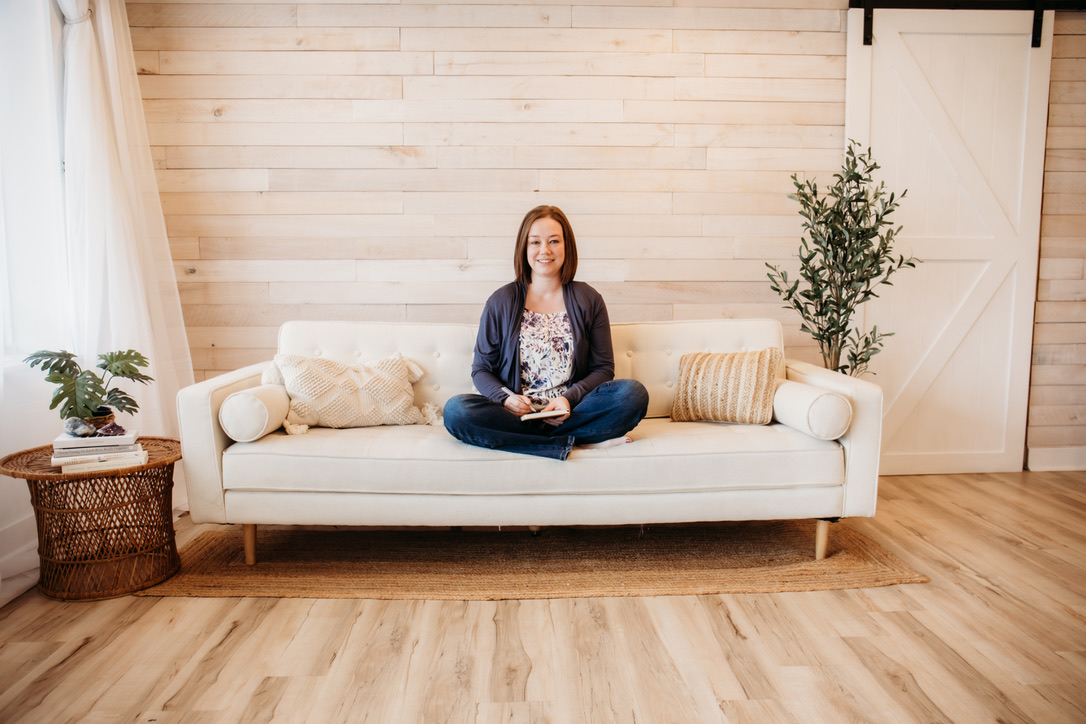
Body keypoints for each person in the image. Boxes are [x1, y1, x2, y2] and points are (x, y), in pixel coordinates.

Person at [443, 205, 649, 460]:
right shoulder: (501, 301)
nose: (545, 250)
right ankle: (574, 443)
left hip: (571, 413)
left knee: (632, 394)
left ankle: (540, 443)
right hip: (515, 418)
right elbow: (481, 369)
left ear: (567, 246)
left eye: (554, 241)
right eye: (535, 242)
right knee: (457, 411)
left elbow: (603, 368)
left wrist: (569, 400)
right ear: (524, 248)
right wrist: (505, 400)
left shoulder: (589, 299)